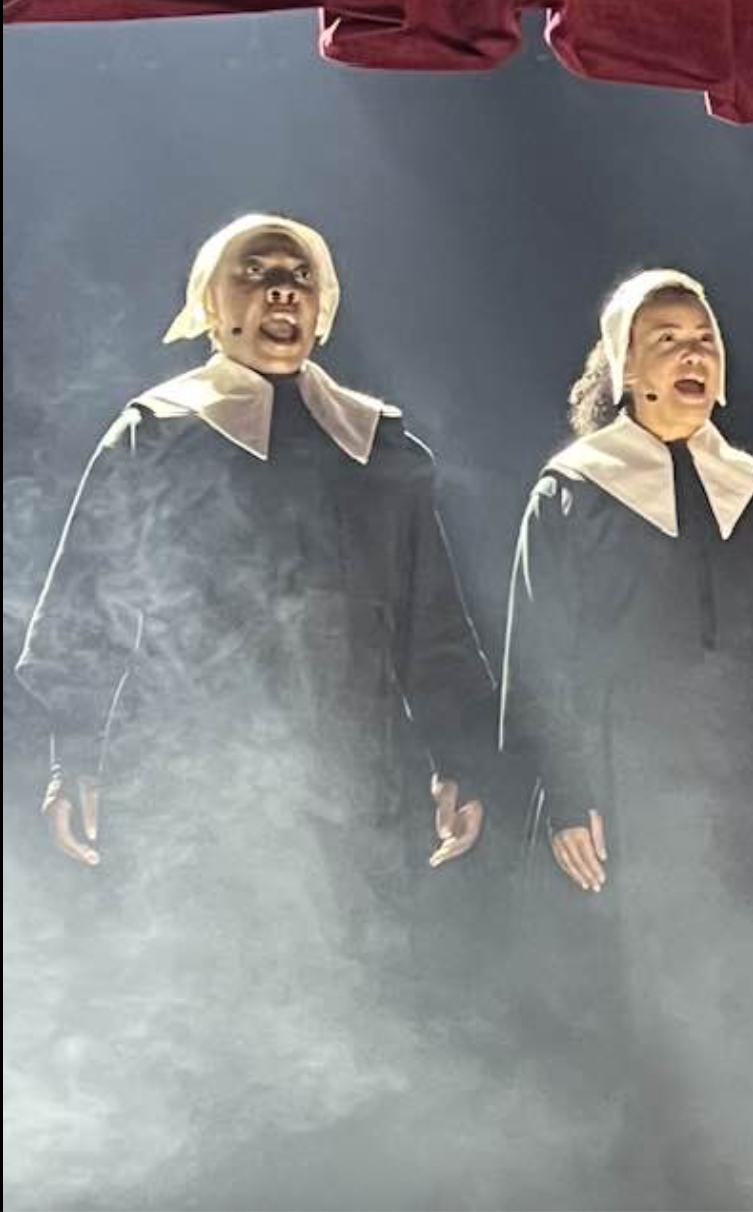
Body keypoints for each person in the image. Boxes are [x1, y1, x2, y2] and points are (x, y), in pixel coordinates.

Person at [14, 213, 496, 1201]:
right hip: (198, 803)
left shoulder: (383, 449)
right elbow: (82, 609)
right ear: (210, 304)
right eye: (256, 272)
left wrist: (459, 754)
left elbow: (433, 623)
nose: (281, 289)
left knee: (362, 1034)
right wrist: (75, 757)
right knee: (212, 1051)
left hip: (356, 800)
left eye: (299, 276)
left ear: (323, 308)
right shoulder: (155, 433)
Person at [499, 269, 753, 1208]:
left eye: (704, 340)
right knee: (635, 1033)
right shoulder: (575, 490)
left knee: (742, 1026)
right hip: (623, 807)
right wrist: (568, 794)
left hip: (740, 801)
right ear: (623, 368)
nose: (692, 353)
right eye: (666, 339)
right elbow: (542, 653)